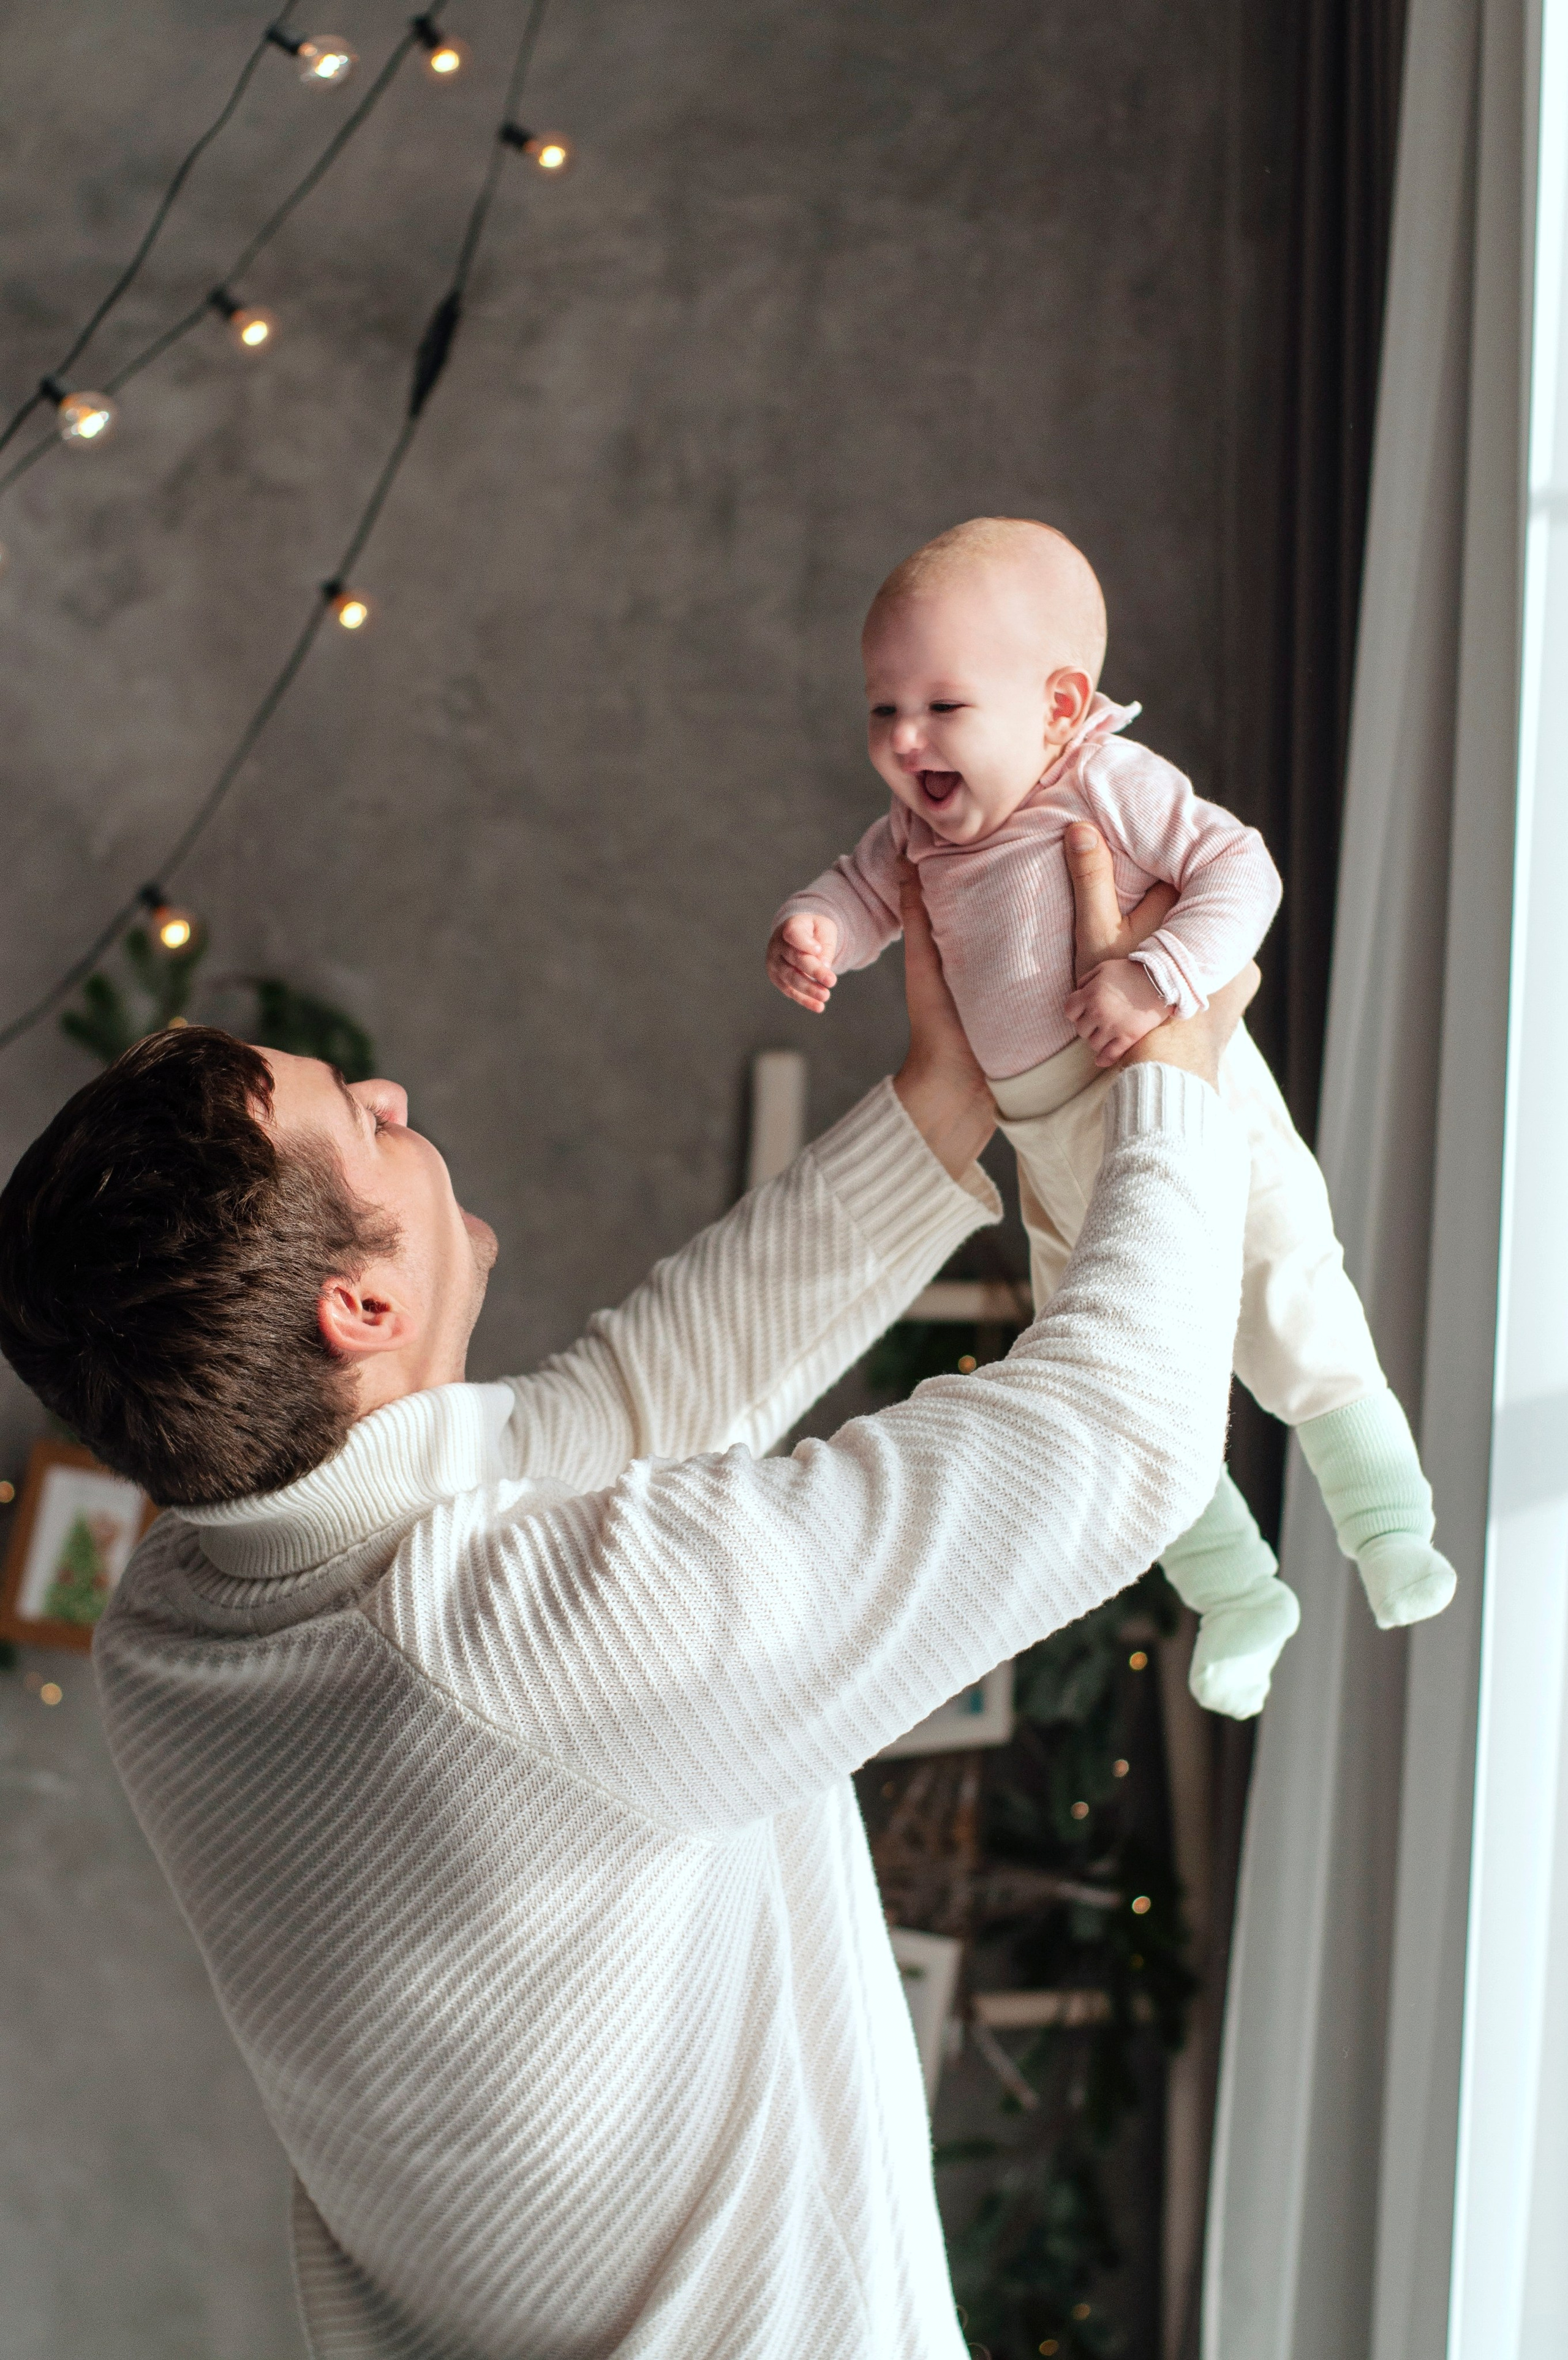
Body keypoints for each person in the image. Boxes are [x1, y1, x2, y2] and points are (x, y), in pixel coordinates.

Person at [2, 857, 1251, 2360]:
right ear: (364, 1309)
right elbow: (1117, 1445)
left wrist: (942, 1094)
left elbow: (613, 1425)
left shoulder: (179, 1624)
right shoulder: (497, 1651)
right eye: (359, 1118)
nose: (395, 1099)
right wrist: (1175, 1077)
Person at [769, 516, 1455, 1717]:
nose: (903, 740)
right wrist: (817, 928)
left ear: (1056, 705)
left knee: (1285, 1292)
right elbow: (857, 888)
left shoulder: (1100, 780)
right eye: (882, 711)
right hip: (1052, 1158)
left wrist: (1157, 976)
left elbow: (1243, 871)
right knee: (1118, 1384)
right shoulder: (914, 835)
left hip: (1193, 1102)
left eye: (939, 707)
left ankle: (1386, 1524)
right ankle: (1237, 1593)